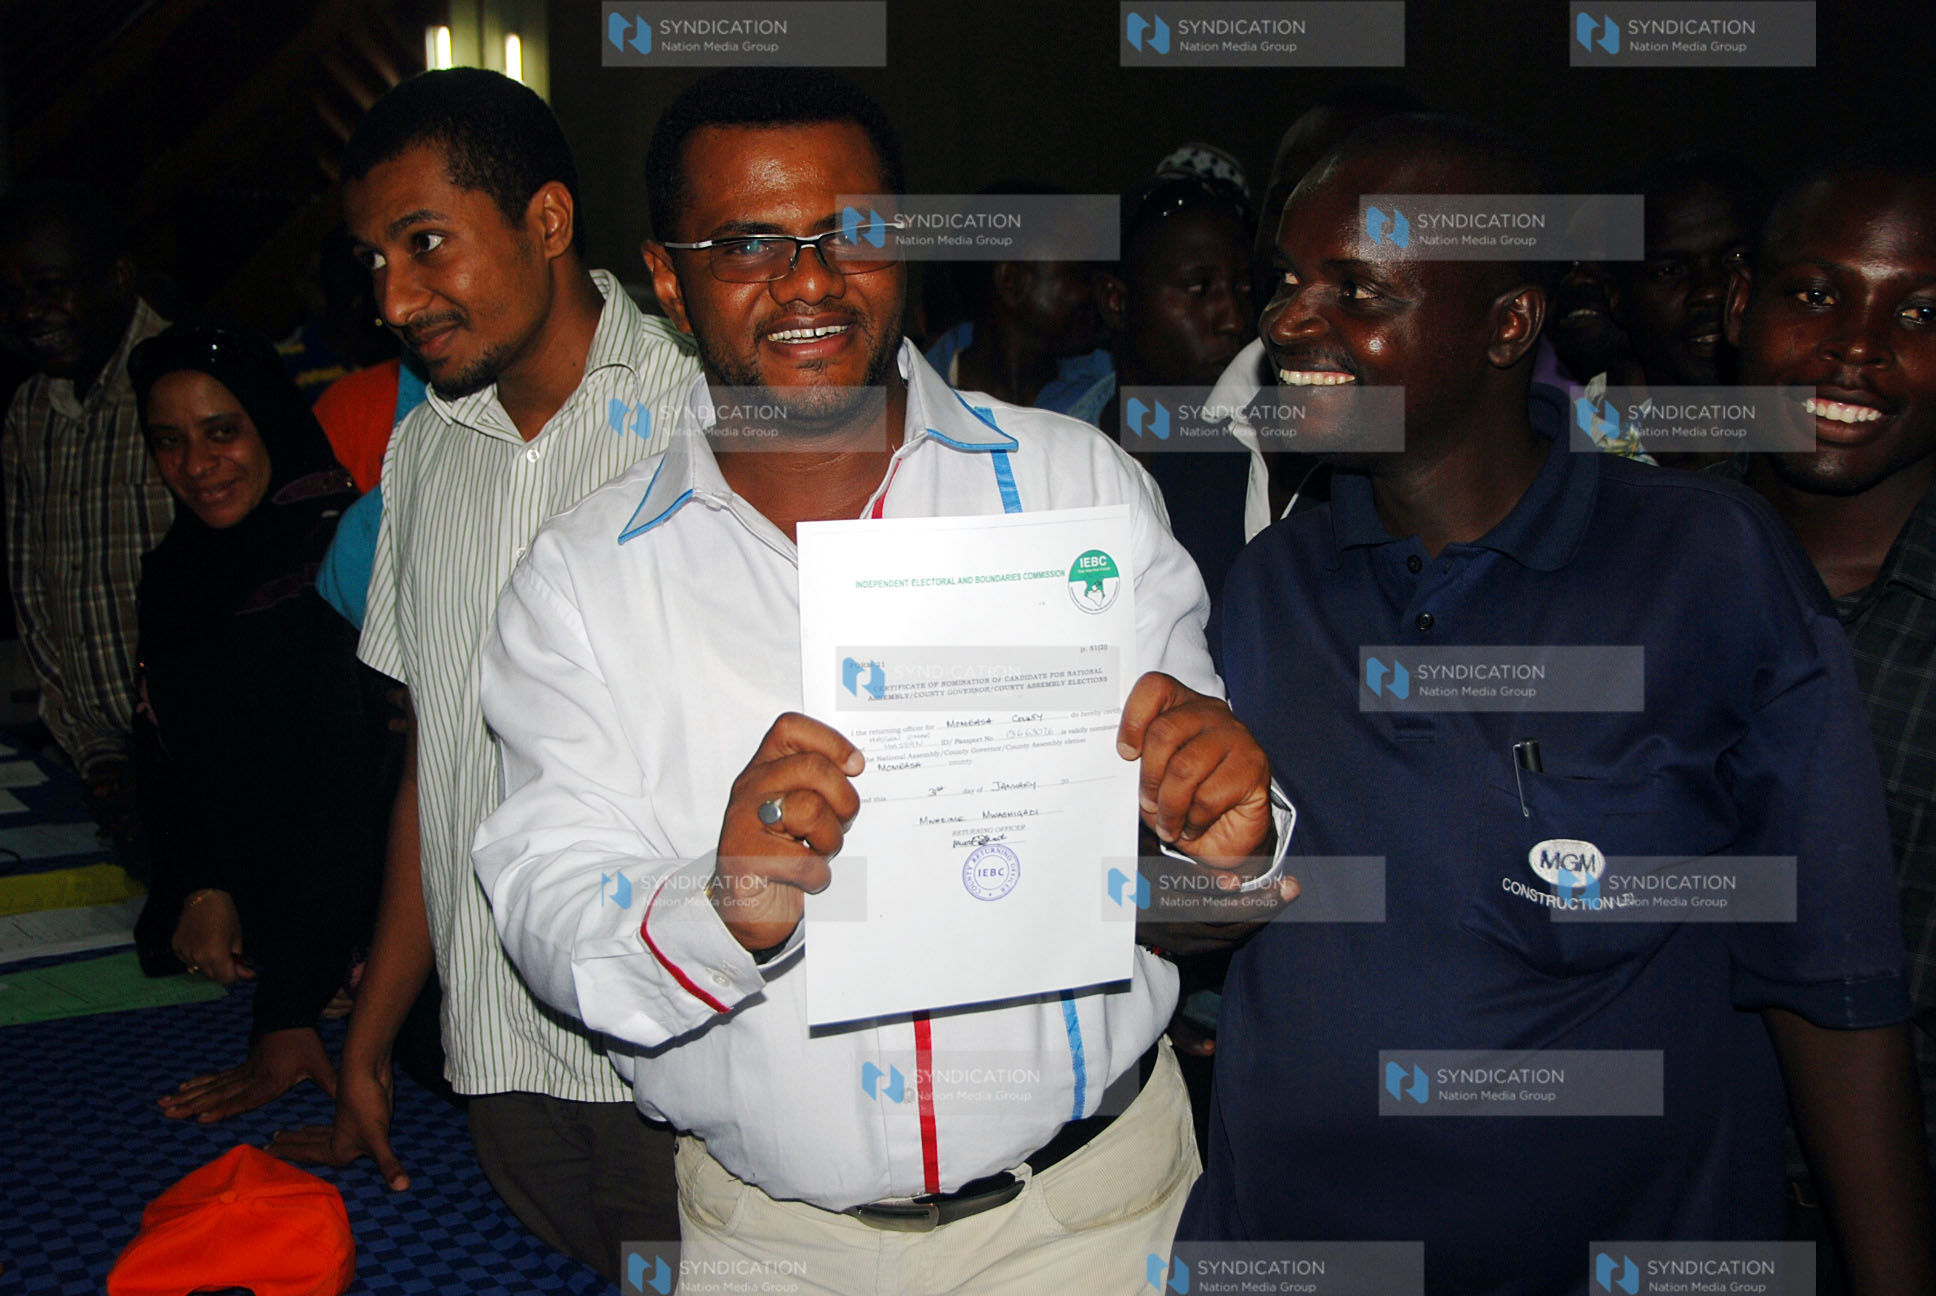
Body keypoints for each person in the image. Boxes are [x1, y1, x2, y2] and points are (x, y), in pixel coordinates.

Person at [471, 68, 1295, 1295]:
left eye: (851, 232)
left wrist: (1222, 841)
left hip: (1095, 1218)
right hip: (777, 1248)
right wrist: (726, 900)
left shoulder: (1075, 489)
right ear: (664, 277)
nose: (809, 280)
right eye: (749, 243)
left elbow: (1202, 872)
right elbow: (546, 901)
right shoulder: (581, 585)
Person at [1185, 114, 1933, 1296]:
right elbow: (1209, 916)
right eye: (1286, 281)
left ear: (1506, 325)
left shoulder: (1705, 568)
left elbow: (1829, 985)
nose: (1285, 323)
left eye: (1356, 290)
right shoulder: (1272, 586)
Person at [263, 68, 701, 1284]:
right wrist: (376, 1031)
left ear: (546, 221)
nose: (394, 299)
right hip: (500, 1055)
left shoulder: (709, 415)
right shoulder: (422, 456)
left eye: (425, 245)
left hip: (683, 1047)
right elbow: (439, 766)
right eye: (373, 262)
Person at [1728, 147, 1936, 1284]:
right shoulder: (1617, 567)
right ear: (1733, 306)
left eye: (1920, 310)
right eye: (1815, 293)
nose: (1855, 344)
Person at [125, 322, 399, 1123]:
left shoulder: (334, 561)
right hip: (255, 938)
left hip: (368, 934)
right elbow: (168, 753)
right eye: (168, 441)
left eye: (221, 432)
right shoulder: (180, 571)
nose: (197, 466)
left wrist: (287, 1010)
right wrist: (201, 883)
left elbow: (342, 790)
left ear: (270, 423)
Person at [0, 181, 173, 848]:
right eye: (12, 296)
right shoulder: (29, 412)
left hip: (204, 762)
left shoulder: (183, 385)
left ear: (118, 276)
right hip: (102, 765)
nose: (31, 313)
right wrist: (94, 748)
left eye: (51, 285)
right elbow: (35, 597)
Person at [1097, 172, 1256, 608]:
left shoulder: (1265, 459)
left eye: (1242, 287)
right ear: (1117, 301)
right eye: (1198, 288)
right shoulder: (1055, 443)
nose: (1234, 320)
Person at [1608, 149, 1765, 468]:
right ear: (1617, 298)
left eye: (1738, 259)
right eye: (1669, 271)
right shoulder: (1569, 443)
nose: (1710, 291)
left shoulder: (1830, 432)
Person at [924, 182, 1112, 422]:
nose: (1096, 293)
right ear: (1012, 281)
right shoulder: (911, 402)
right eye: (1081, 275)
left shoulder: (1109, 394)